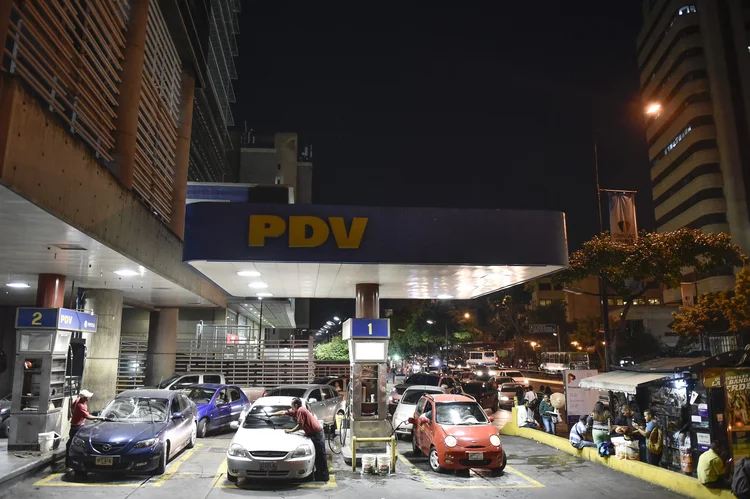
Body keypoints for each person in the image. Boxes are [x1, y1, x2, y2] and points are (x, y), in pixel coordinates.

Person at [268, 398, 329, 482]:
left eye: (292, 405)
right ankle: (319, 473)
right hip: (312, 433)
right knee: (317, 455)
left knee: (320, 455)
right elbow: (283, 412)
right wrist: (271, 415)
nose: (291, 406)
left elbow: (300, 425)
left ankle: (324, 476)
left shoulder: (301, 410)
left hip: (316, 433)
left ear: (296, 405)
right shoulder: (296, 410)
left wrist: (290, 431)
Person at [66, 389, 103, 465]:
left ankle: (69, 461)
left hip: (74, 425)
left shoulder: (77, 400)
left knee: (70, 443)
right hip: (77, 427)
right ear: (83, 398)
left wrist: (76, 415)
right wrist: (99, 418)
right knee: (75, 445)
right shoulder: (80, 406)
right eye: (87, 397)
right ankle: (70, 462)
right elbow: (88, 416)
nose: (88, 398)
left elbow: (72, 407)